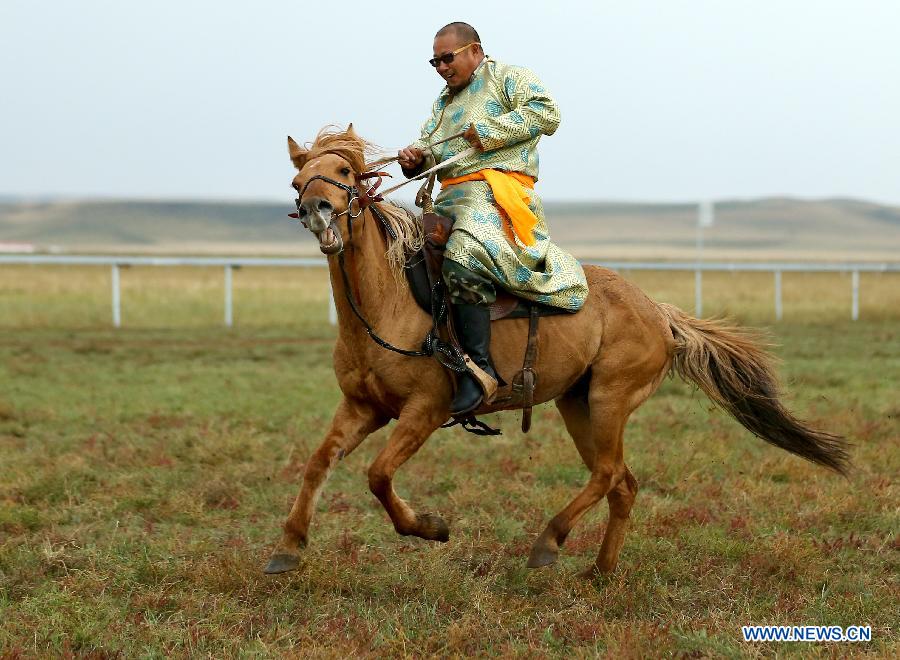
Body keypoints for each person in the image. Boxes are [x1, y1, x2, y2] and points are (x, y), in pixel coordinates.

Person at [399, 22, 588, 417]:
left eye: (447, 58)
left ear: (474, 50)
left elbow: (548, 114)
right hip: (450, 198)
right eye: (434, 62)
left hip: (496, 194)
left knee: (462, 257)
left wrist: (487, 131)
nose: (441, 68)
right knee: (406, 252)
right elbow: (433, 148)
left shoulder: (510, 77)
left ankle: (479, 371)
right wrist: (416, 158)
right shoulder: (443, 102)